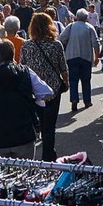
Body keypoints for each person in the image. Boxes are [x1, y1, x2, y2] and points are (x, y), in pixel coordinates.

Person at [0, 40, 53, 159]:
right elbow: (47, 92)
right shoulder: (25, 72)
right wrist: (36, 100)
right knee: (26, 173)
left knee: (1, 175)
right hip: (24, 134)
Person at [20, 13, 69, 161]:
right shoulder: (56, 45)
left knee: (39, 123)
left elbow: (22, 66)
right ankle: (49, 154)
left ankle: (42, 153)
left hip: (34, 90)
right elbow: (63, 68)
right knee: (50, 125)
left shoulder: (27, 45)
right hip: (53, 90)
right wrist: (65, 83)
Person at [60, 9, 100, 112]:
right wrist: (97, 56)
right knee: (86, 80)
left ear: (76, 16)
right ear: (86, 17)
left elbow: (62, 38)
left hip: (72, 56)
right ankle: (87, 101)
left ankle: (74, 99)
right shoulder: (89, 27)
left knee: (73, 80)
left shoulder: (71, 26)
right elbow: (95, 43)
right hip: (86, 57)